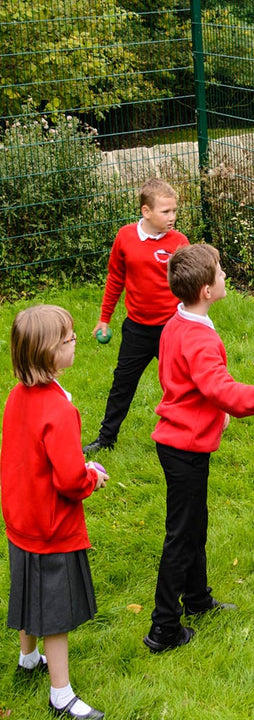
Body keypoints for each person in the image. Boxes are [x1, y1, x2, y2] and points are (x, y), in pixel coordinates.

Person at [143, 243, 254, 653]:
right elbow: (222, 389)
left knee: (195, 525)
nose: (225, 276)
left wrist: (214, 413)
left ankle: (198, 602)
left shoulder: (177, 323)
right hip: (184, 449)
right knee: (181, 536)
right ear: (206, 291)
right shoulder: (197, 337)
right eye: (220, 272)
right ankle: (163, 629)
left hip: (182, 443)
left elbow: (184, 383)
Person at [1, 305, 109, 719]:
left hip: (20, 517)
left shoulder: (16, 395)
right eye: (68, 338)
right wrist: (91, 477)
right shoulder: (60, 412)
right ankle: (60, 694)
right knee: (55, 613)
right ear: (48, 353)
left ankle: (28, 659)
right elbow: (68, 480)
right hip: (51, 526)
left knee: (26, 588)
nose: (75, 340)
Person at [83, 178, 190, 455]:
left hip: (171, 328)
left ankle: (189, 432)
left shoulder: (179, 242)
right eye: (166, 211)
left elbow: (190, 284)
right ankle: (106, 439)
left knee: (181, 383)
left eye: (174, 210)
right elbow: (116, 278)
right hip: (137, 329)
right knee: (122, 384)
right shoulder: (126, 237)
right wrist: (104, 318)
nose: (173, 217)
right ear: (146, 211)